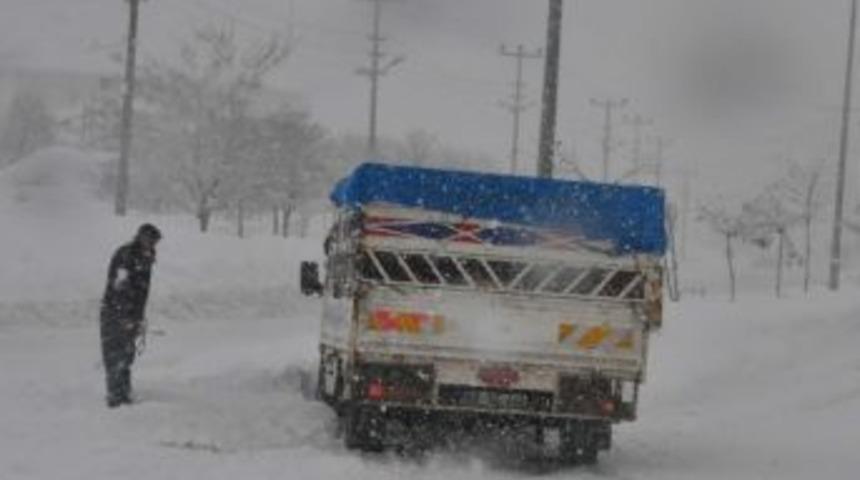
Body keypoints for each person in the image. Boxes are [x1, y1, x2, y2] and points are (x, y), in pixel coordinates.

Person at [100, 223, 161, 407]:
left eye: (154, 242)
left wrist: (138, 318)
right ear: (140, 237)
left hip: (130, 316)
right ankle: (114, 397)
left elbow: (140, 292)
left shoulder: (145, 257)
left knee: (126, 355)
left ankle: (124, 393)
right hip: (114, 313)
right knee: (114, 355)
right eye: (149, 240)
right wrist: (125, 316)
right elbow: (120, 286)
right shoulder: (126, 255)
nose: (152, 245)